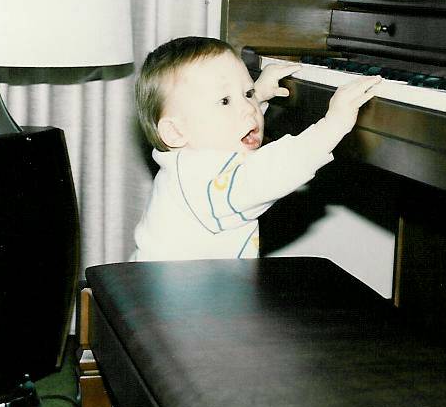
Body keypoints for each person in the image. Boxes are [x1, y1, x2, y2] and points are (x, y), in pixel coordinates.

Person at [132, 36, 380, 261]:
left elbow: (224, 128)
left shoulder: (188, 159)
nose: (249, 109)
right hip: (178, 303)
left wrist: (258, 93)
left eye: (247, 93)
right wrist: (332, 125)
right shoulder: (206, 182)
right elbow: (272, 171)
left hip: (174, 287)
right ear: (175, 132)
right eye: (225, 100)